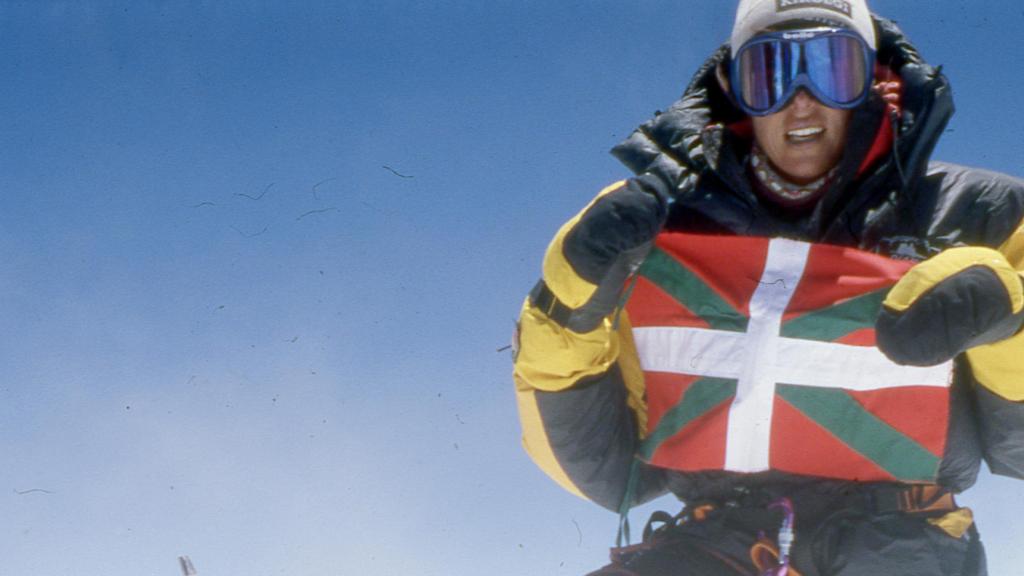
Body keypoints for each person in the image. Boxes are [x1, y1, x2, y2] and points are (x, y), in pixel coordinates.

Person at [512, 0, 1024, 574]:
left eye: (830, 68)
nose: (800, 99)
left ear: (871, 80)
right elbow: (601, 472)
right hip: (717, 536)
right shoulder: (654, 222)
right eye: (770, 74)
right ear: (734, 88)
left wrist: (1008, 320)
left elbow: (1020, 450)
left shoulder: (982, 215)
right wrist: (566, 309)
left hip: (900, 538)